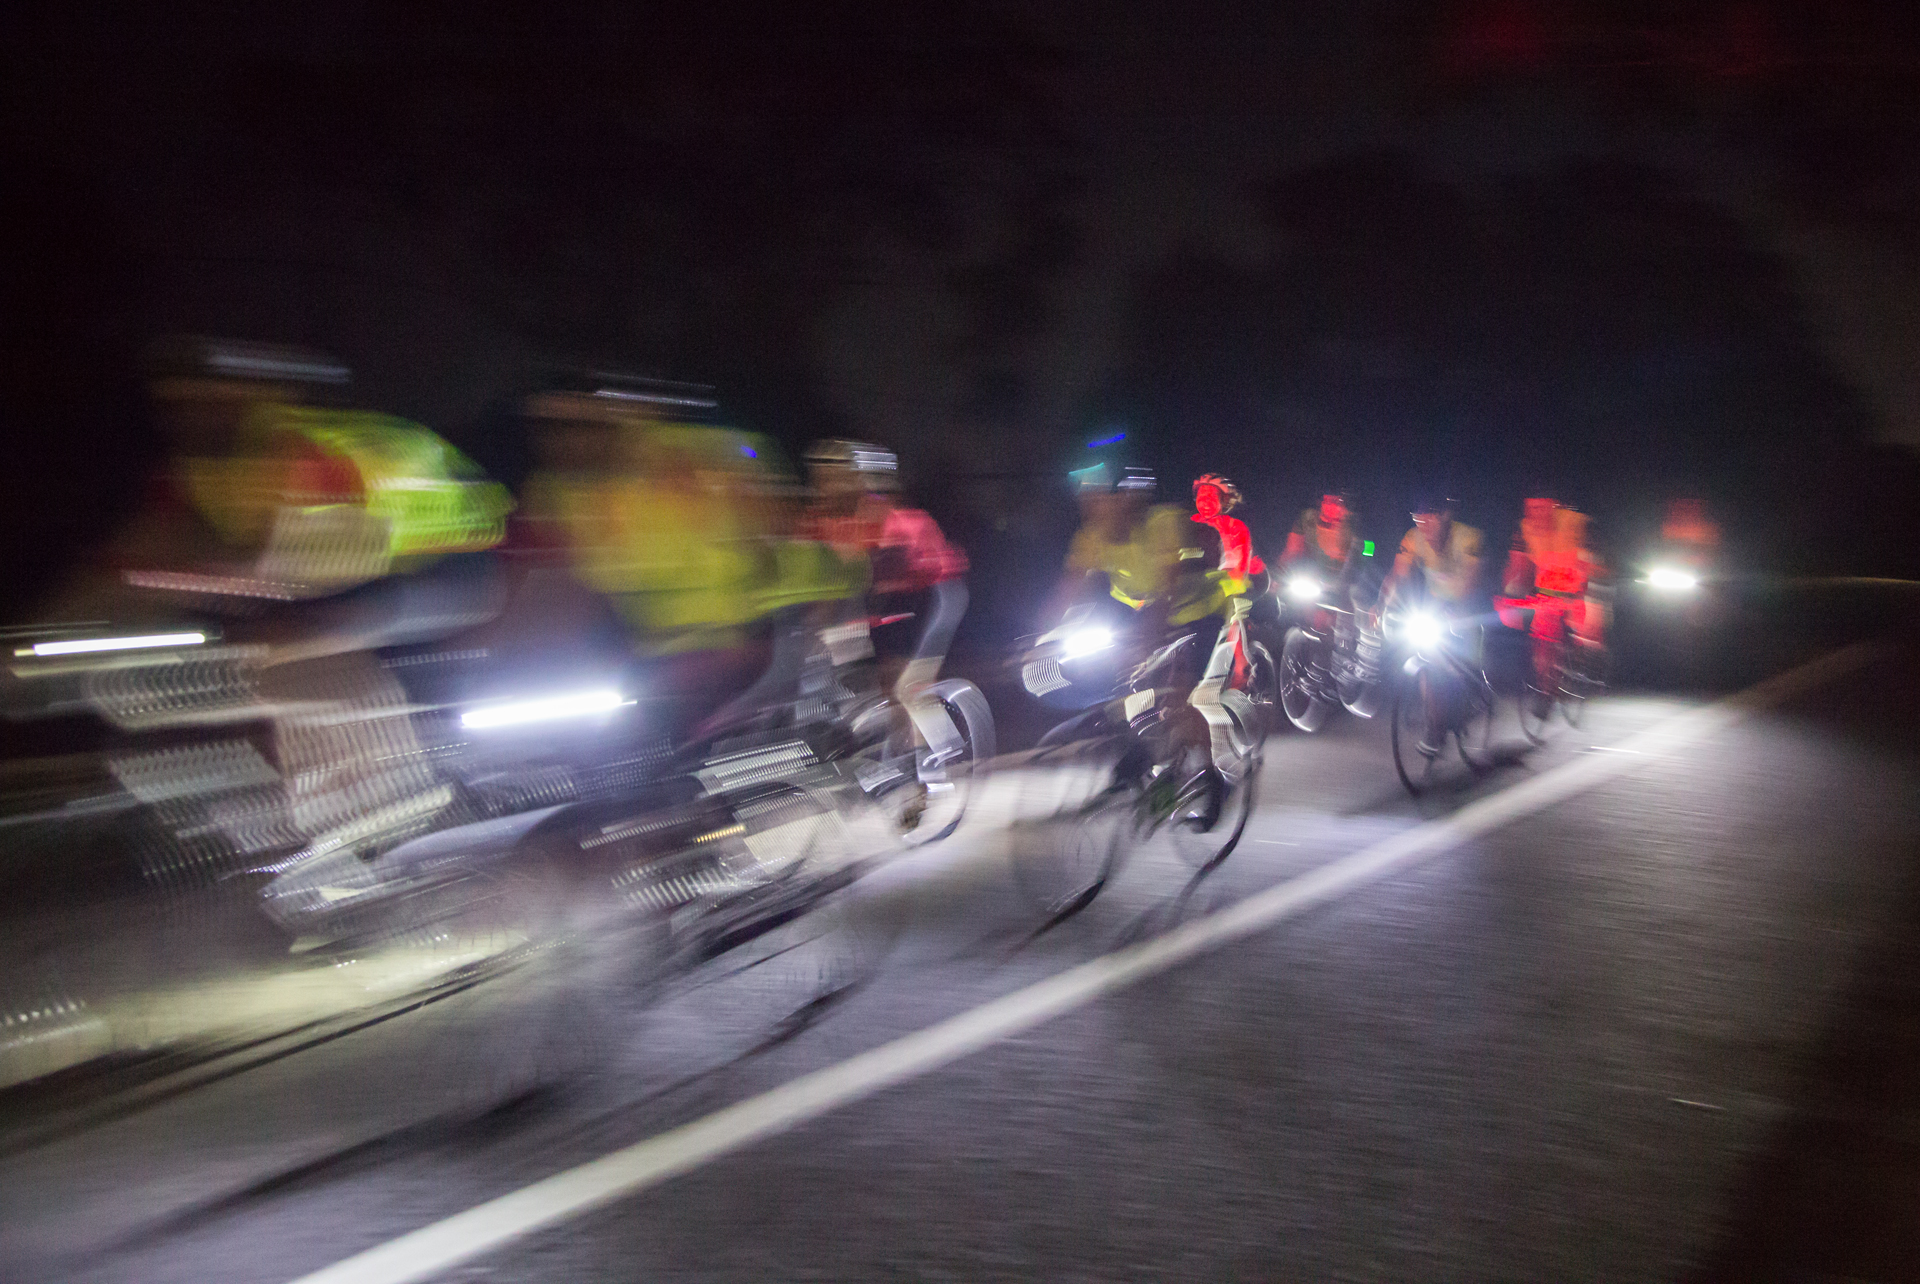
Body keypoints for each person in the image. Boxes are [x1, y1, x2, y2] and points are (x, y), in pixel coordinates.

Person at [799, 438, 970, 760]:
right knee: (884, 682)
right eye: (821, 480)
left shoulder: (885, 513)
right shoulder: (843, 519)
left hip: (936, 594)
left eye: (832, 479)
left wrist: (836, 622)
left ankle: (940, 757)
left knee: (909, 685)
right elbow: (843, 585)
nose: (826, 488)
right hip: (898, 597)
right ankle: (906, 752)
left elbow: (876, 577)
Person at [1497, 492, 1607, 679]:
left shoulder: (1576, 523)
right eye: (1531, 509)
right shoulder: (1525, 529)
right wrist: (1509, 595)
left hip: (1577, 594)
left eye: (1541, 508)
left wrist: (1591, 607)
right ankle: (1545, 678)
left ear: (1554, 507)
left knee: (1585, 628)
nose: (1536, 515)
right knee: (1539, 638)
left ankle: (1583, 663)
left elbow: (1596, 567)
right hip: (1546, 597)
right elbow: (1518, 567)